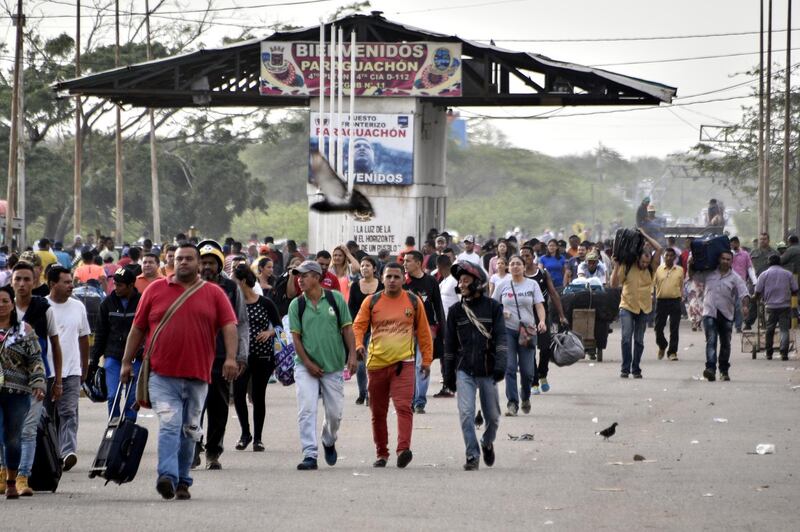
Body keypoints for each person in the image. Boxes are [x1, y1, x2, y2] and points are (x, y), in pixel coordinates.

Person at [120, 243, 239, 500]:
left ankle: (183, 479)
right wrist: (126, 362)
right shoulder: (155, 290)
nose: (183, 262)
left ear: (198, 264)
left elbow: (230, 326)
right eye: (179, 259)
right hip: (162, 375)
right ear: (171, 262)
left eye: (189, 259)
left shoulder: (213, 293)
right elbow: (138, 328)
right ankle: (167, 476)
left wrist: (231, 358)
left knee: (190, 430)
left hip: (198, 376)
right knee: (170, 425)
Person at [353, 262, 431, 468]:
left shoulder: (414, 302)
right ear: (382, 278)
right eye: (389, 277)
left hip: (403, 364)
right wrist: (359, 344)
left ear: (403, 278)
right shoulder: (372, 301)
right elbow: (358, 326)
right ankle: (382, 453)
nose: (392, 281)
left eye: (397, 277)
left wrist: (428, 361)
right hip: (376, 364)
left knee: (404, 407)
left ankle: (403, 449)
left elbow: (424, 332)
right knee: (378, 412)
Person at [288, 260, 357, 471]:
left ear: (317, 278)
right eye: (298, 276)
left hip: (333, 365)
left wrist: (352, 355)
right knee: (307, 409)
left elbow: (347, 329)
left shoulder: (335, 299)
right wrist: (308, 364)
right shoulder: (296, 305)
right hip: (305, 367)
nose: (300, 279)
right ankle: (310, 453)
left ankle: (328, 439)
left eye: (304, 275)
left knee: (334, 414)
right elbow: (296, 339)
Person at [1, 263, 62, 497]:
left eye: (27, 279)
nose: (22, 284)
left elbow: (52, 347)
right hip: (2, 384)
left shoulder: (43, 310)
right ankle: (4, 476)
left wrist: (55, 380)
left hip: (32, 383)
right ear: (11, 281)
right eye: (18, 279)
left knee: (26, 432)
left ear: (34, 281)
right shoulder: (3, 304)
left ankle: (21, 478)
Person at [443, 261, 506, 471]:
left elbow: (501, 338)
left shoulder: (494, 308)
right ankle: (472, 455)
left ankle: (487, 442)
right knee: (467, 414)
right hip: (464, 370)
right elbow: (449, 346)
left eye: (466, 280)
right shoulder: (455, 311)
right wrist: (447, 376)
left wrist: (501, 364)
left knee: (493, 418)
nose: (461, 284)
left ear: (477, 282)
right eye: (459, 281)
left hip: (488, 370)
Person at [196, 240, 249, 470]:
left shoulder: (230, 288)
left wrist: (240, 356)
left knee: (218, 407)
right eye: (203, 262)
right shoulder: (189, 286)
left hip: (220, 357)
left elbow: (241, 323)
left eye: (211, 263)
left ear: (219, 265)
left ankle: (213, 452)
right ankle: (192, 448)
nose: (207, 267)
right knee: (193, 407)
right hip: (193, 357)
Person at [0, 285, 46, 499]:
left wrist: (38, 382)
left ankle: (13, 480)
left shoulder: (24, 331)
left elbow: (36, 359)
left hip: (17, 393)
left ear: (12, 305)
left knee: (13, 438)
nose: (1, 305)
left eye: (5, 301)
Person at [231, 264, 282, 453]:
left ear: (243, 281)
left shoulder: (265, 303)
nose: (231, 284)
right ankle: (245, 434)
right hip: (240, 358)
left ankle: (258, 439)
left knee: (258, 397)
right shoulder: (233, 305)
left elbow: (279, 328)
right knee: (238, 395)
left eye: (234, 280)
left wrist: (269, 333)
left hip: (263, 357)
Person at [45, 265, 90, 471]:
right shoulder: (42, 307)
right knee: (46, 415)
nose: (71, 285)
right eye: (66, 282)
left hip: (71, 370)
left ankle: (67, 452)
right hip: (45, 371)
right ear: (53, 284)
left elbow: (83, 338)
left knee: (69, 412)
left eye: (71, 281)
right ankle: (50, 453)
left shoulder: (78, 307)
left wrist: (85, 365)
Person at [492, 255, 546, 416]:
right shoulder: (502, 285)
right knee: (509, 368)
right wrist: (502, 312)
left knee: (528, 371)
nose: (515, 266)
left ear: (524, 267)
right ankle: (512, 403)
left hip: (528, 331)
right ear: (508, 268)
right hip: (507, 331)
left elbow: (539, 305)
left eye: (518, 264)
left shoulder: (532, 284)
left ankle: (526, 397)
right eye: (512, 264)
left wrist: (542, 321)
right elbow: (492, 306)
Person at [89, 266, 141, 420]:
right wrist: (94, 359)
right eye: (114, 284)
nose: (115, 288)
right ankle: (113, 426)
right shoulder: (107, 304)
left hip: (136, 357)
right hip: (113, 355)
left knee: (132, 400)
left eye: (120, 285)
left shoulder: (142, 302)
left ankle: (128, 429)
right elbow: (101, 333)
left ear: (131, 286)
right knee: (113, 396)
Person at [610, 229, 662, 379]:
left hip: (644, 308)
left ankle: (636, 368)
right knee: (626, 338)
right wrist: (616, 266)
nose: (645, 264)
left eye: (647, 262)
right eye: (643, 261)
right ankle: (625, 368)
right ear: (637, 258)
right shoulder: (627, 267)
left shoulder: (652, 268)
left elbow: (659, 249)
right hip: (627, 306)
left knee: (639, 340)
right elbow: (613, 285)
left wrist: (644, 234)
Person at [691, 251, 750, 381]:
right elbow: (694, 277)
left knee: (725, 343)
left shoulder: (735, 277)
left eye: (728, 259)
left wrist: (745, 306)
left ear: (731, 262)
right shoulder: (709, 273)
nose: (725, 261)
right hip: (709, 312)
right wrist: (691, 264)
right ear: (719, 259)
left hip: (726, 314)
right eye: (723, 258)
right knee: (711, 341)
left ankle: (724, 371)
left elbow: (744, 293)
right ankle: (711, 369)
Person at [403, 250, 445, 414]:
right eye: (404, 261)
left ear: (419, 263)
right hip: (404, 332)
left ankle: (420, 401)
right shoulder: (402, 282)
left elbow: (437, 306)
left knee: (422, 364)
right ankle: (410, 399)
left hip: (427, 330)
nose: (404, 264)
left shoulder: (431, 281)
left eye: (408, 261)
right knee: (407, 367)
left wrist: (439, 329)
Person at [347, 256, 383, 405]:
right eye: (362, 266)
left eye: (368, 265)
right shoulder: (355, 286)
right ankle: (362, 392)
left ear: (374, 268)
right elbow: (350, 309)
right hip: (359, 329)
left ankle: (371, 394)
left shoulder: (381, 285)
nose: (364, 268)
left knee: (373, 363)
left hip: (377, 330)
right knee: (361, 365)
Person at [755, 254, 799, 360]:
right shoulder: (788, 274)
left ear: (769, 263)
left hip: (770, 306)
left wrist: (756, 298)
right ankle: (784, 353)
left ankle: (769, 352)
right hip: (784, 306)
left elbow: (757, 291)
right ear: (780, 262)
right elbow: (795, 289)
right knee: (784, 329)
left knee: (770, 329)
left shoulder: (764, 274)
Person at [654, 248, 684, 361]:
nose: (669, 258)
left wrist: (681, 296)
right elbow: (654, 284)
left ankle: (672, 352)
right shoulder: (659, 270)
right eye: (667, 255)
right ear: (664, 256)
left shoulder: (680, 270)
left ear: (675, 257)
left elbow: (681, 285)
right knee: (658, 327)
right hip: (661, 301)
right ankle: (662, 345)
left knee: (674, 328)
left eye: (671, 256)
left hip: (675, 300)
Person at [745, 233, 776, 330]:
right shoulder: (753, 253)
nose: (763, 241)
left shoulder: (774, 253)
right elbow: (748, 267)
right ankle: (748, 323)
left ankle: (769, 322)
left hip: (769, 282)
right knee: (752, 303)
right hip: (754, 282)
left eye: (765, 239)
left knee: (770, 303)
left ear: (768, 240)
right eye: (761, 239)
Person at [730, 236, 757, 333]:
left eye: (734, 244)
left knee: (739, 305)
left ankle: (738, 326)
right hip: (729, 284)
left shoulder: (745, 255)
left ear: (737, 243)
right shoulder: (729, 254)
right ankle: (728, 324)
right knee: (729, 305)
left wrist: (755, 281)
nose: (732, 246)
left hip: (741, 284)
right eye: (731, 244)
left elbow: (750, 268)